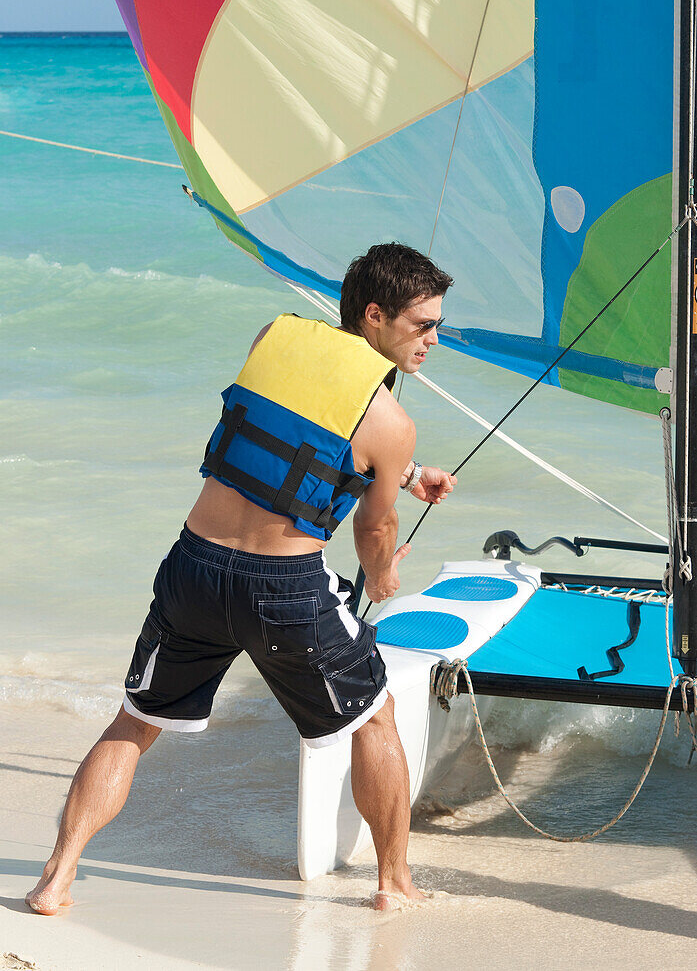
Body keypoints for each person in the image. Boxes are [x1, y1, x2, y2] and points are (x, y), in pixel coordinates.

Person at [27, 242, 456, 915]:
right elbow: (373, 533)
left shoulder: (272, 337)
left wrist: (403, 470)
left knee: (135, 722)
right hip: (284, 592)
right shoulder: (392, 423)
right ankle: (393, 884)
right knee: (376, 715)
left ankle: (56, 878)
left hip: (192, 569)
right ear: (375, 314)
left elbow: (298, 420)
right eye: (421, 324)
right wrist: (380, 583)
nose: (433, 338)